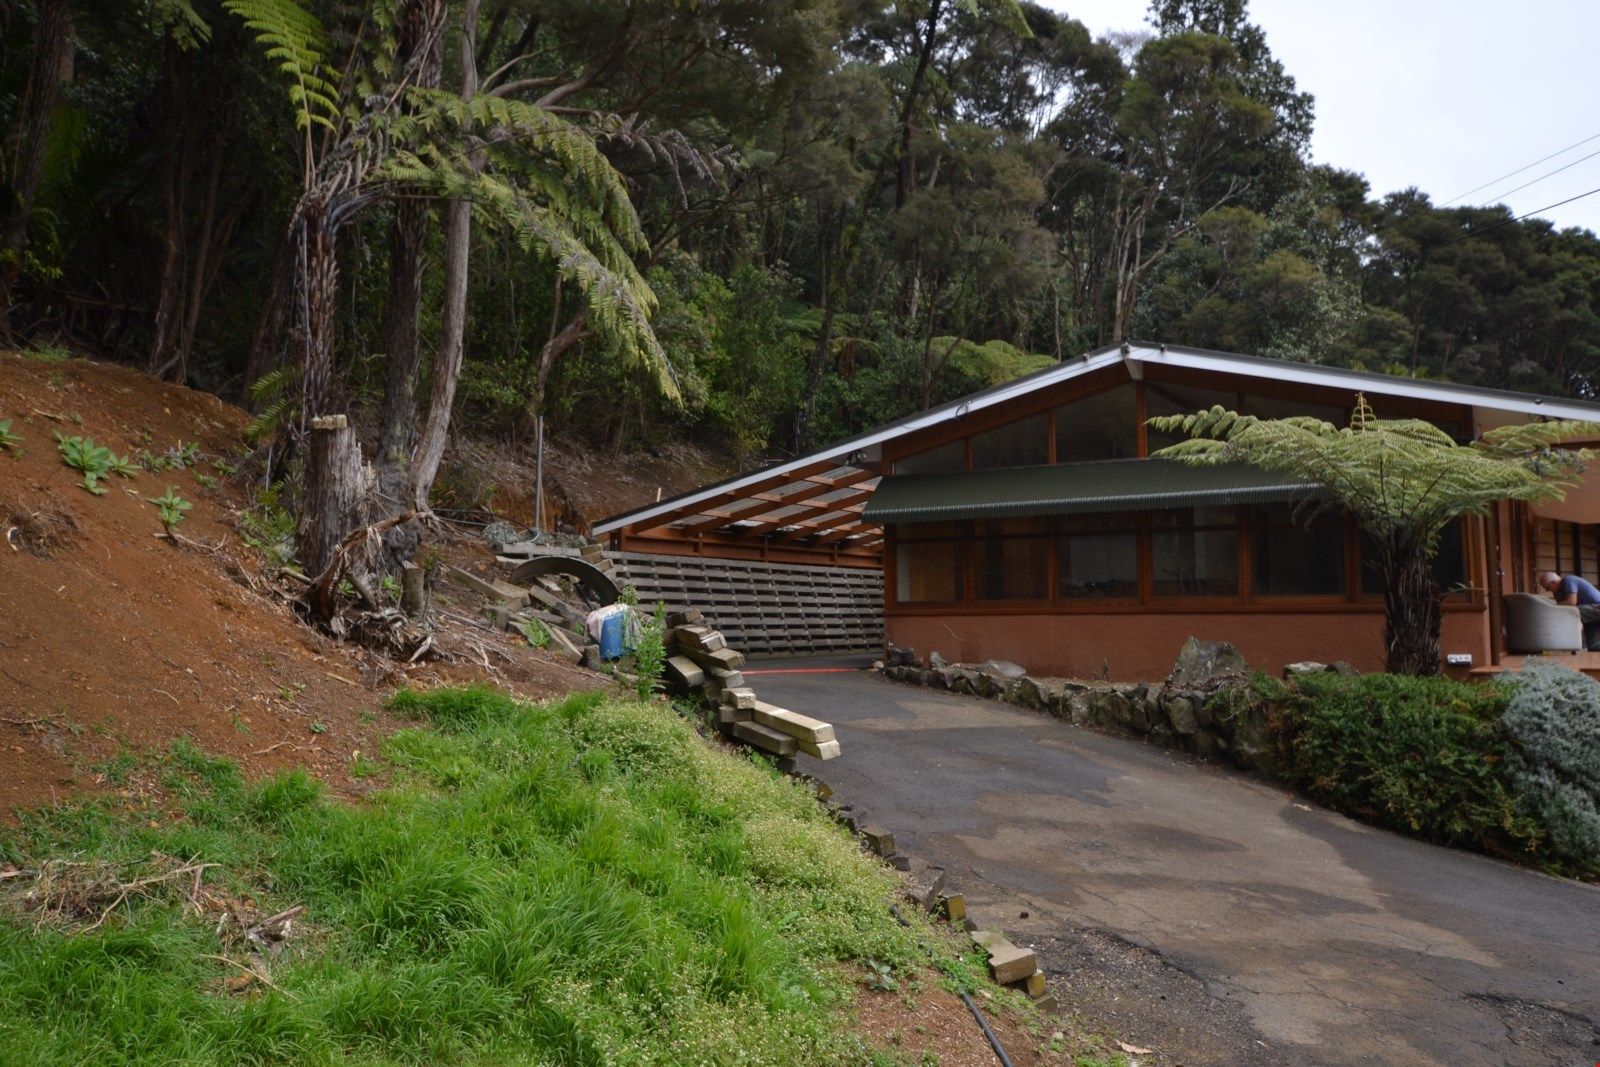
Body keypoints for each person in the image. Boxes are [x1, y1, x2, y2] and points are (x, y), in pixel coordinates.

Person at [1539, 570, 1600, 650]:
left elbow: (1571, 602)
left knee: (1571, 612)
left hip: (1597, 608)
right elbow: (1563, 607)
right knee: (1593, 647)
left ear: (1553, 583)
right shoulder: (1557, 592)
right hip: (1588, 615)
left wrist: (1551, 607)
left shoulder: (1568, 580)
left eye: (1547, 588)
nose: (1547, 591)